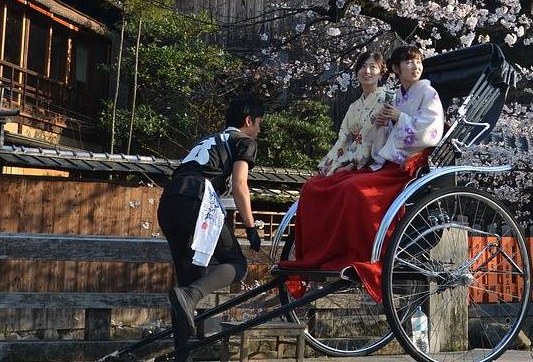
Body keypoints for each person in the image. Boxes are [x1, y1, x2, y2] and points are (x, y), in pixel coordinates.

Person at [279, 45, 445, 300]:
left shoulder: (426, 93)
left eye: (418, 61)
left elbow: (429, 132)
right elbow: (367, 139)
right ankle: (321, 255)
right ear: (396, 69)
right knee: (316, 187)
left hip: (407, 165)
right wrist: (383, 126)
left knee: (354, 189)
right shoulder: (394, 97)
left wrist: (397, 119)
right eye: (409, 62)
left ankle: (360, 255)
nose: (415, 66)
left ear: (382, 72)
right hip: (383, 162)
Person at [158, 97, 265, 360]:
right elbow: (241, 185)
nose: (260, 130)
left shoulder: (208, 140)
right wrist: (250, 228)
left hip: (169, 201)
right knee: (236, 264)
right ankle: (191, 294)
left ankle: (183, 355)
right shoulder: (244, 141)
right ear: (248, 120)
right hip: (196, 199)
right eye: (259, 123)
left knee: (186, 282)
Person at [312, 51, 392, 176]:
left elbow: (369, 136)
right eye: (363, 66)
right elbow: (344, 136)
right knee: (314, 184)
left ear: (381, 73)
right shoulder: (354, 106)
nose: (367, 71)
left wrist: (351, 165)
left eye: (373, 67)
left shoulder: (385, 100)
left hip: (370, 162)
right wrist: (332, 163)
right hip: (350, 160)